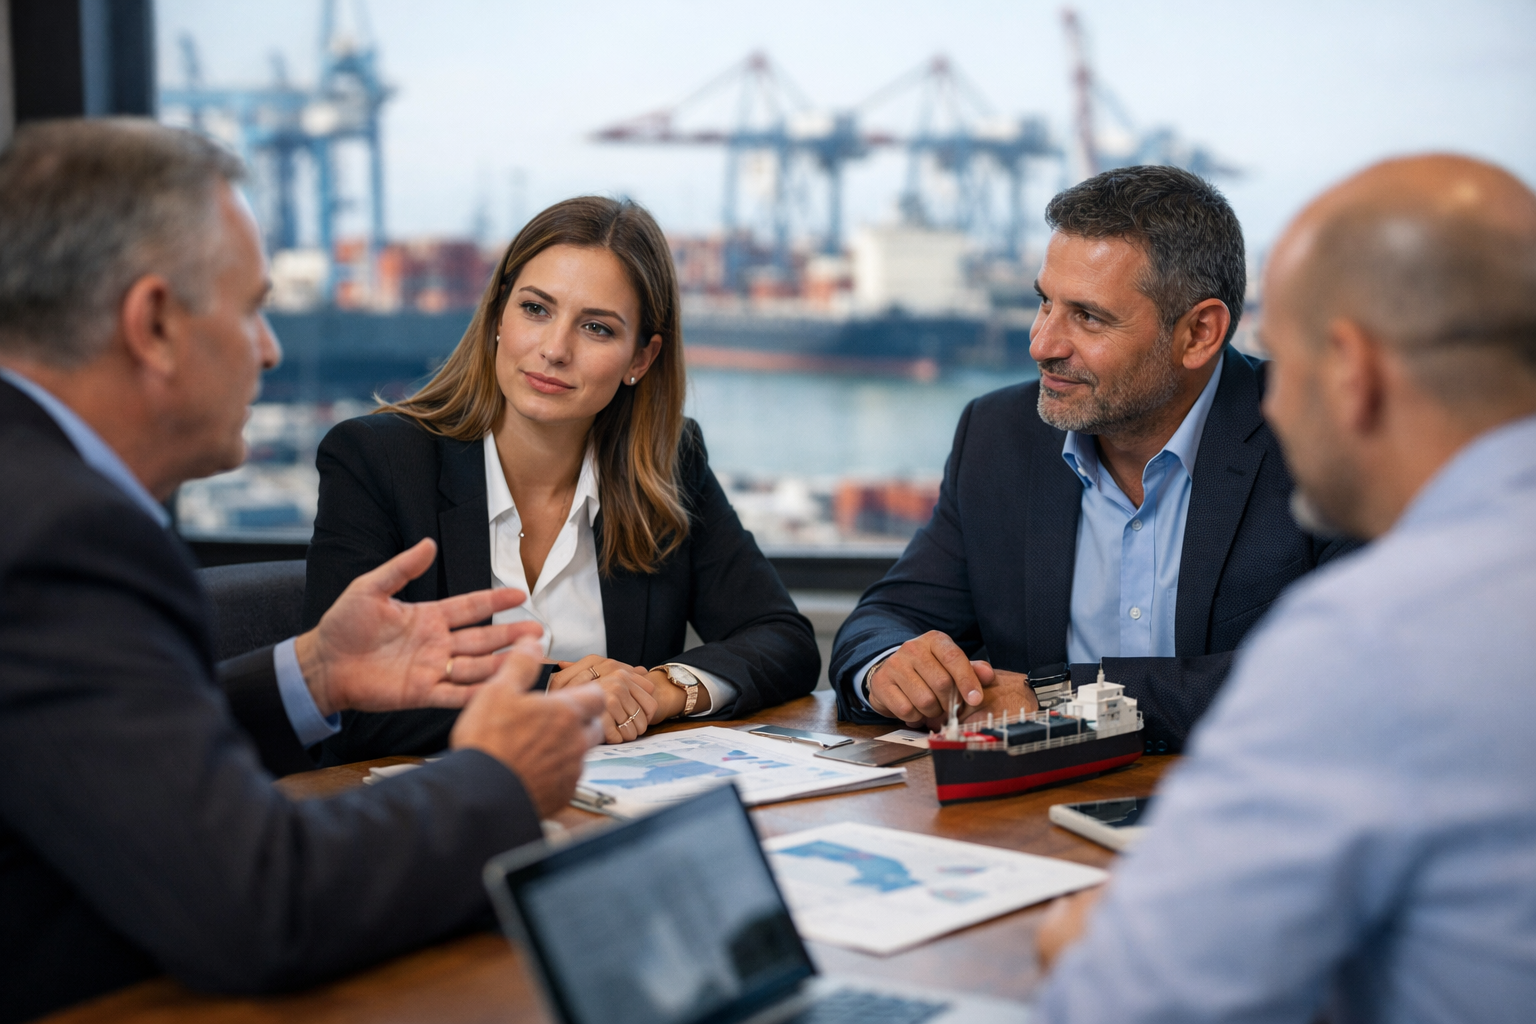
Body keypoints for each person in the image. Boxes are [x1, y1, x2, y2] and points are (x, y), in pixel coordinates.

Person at [0, 119, 607, 1023]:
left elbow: (104, 763)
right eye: (251, 308)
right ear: (155, 324)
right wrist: (499, 781)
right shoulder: (62, 533)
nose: (272, 348)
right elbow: (258, 900)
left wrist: (312, 672)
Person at [1033, 154, 1536, 1022]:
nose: (1268, 407)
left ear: (1351, 369)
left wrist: (1083, 944)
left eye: (1286, 358)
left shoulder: (1376, 639)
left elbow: (1132, 1003)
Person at [830, 165, 1354, 750]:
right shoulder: (999, 434)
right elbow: (884, 619)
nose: (1042, 344)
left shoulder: (1325, 437)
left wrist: (1058, 700)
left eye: (1087, 317)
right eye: (1044, 304)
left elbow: (1343, 674)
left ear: (1200, 333)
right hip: (1029, 823)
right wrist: (890, 667)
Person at [301, 195, 820, 760]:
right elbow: (341, 700)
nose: (554, 350)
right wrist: (548, 690)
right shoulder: (377, 461)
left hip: (607, 817)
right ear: (499, 315)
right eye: (536, 309)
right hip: (434, 817)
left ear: (640, 361)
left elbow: (783, 639)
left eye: (596, 327)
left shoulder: (670, 463)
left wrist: (658, 692)